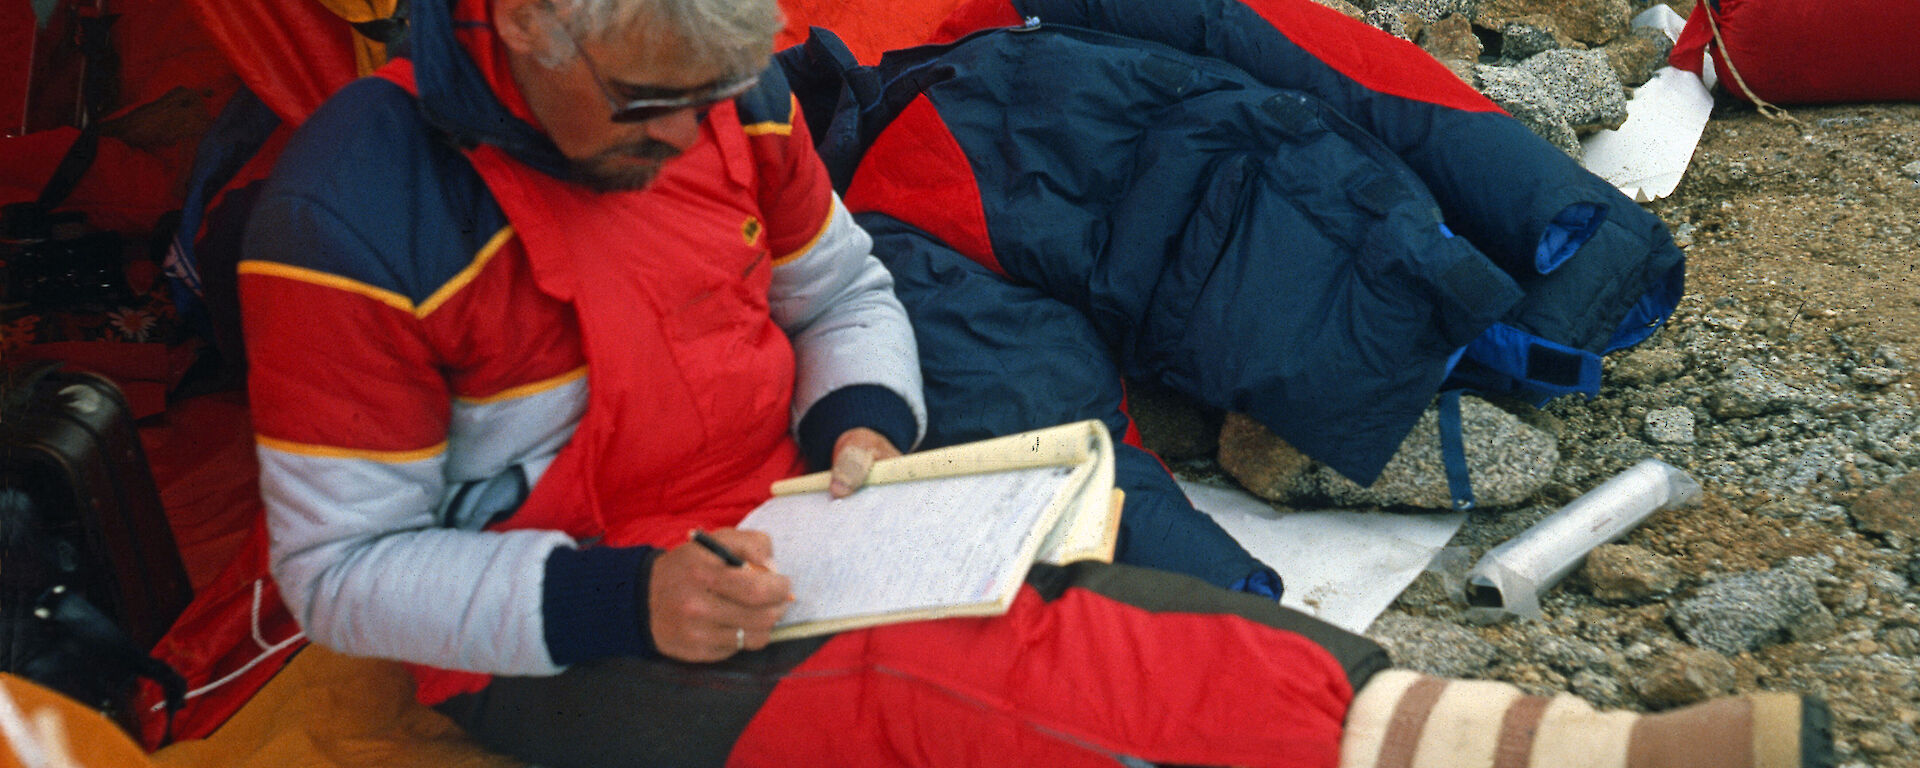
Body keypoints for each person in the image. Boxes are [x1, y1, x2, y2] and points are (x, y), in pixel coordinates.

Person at [236, 0, 1833, 765]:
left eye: (728, 96)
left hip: (783, 515)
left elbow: (841, 284)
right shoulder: (349, 220)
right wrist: (616, 605)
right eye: (660, 108)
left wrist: (860, 419)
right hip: (569, 628)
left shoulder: (731, 107)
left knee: (1118, 587)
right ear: (523, 25)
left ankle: (1538, 744)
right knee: (934, 710)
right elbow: (339, 575)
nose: (696, 139)